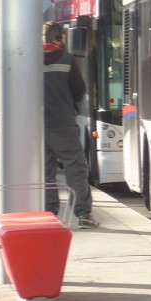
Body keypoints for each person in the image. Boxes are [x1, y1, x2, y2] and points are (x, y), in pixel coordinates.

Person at [43, 22, 99, 228]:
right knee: (75, 168)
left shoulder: (29, 60)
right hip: (63, 125)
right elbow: (78, 91)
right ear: (58, 38)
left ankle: (48, 211)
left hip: (37, 127)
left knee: (44, 171)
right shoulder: (68, 60)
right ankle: (83, 214)